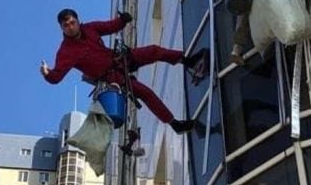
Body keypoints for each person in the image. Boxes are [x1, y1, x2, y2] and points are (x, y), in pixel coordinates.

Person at [40, 8, 206, 133]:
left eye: (72, 22)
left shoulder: (90, 28)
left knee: (153, 51)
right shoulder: (66, 52)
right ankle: (175, 124)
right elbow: (57, 76)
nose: (70, 27)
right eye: (66, 25)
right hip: (112, 78)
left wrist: (122, 20)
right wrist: (47, 74)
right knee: (146, 93)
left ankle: (188, 61)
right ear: (62, 29)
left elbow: (109, 26)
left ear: (78, 21)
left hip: (121, 59)